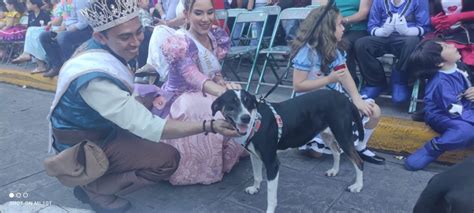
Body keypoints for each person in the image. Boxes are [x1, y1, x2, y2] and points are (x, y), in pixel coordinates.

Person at [47, 0, 240, 212]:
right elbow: (150, 124)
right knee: (167, 159)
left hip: (106, 124)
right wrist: (209, 126)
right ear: (100, 37)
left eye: (139, 32)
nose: (136, 42)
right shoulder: (96, 77)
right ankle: (94, 186)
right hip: (89, 140)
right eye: (125, 37)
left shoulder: (105, 49)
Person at [135, 0, 246, 185]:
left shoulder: (214, 37)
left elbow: (215, 72)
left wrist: (224, 84)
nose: (206, 19)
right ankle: (194, 168)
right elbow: (192, 76)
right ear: (186, 14)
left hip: (208, 90)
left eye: (210, 12)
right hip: (179, 97)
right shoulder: (179, 42)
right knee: (198, 106)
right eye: (199, 13)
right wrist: (222, 92)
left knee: (232, 98)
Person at [291, 6, 385, 164]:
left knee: (374, 111)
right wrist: (329, 80)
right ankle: (308, 140)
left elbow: (345, 74)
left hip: (334, 101)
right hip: (312, 107)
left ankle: (360, 146)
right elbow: (298, 86)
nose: (344, 28)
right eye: (340, 24)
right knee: (316, 154)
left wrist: (356, 99)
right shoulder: (307, 53)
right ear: (326, 29)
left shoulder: (334, 49)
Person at [404, 38, 474, 171]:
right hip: (444, 115)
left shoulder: (459, 67)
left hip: (465, 108)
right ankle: (433, 148)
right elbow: (453, 110)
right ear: (439, 62)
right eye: (446, 47)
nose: (453, 45)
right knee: (466, 132)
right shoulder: (440, 83)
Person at [354, 0, 430, 103]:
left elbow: (424, 27)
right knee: (361, 44)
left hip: (406, 37)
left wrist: (407, 31)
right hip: (383, 36)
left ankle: (399, 80)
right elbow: (371, 26)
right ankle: (375, 82)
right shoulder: (379, 1)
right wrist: (383, 31)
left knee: (413, 42)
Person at [320, 0, 372, 86]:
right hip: (334, 27)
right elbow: (324, 9)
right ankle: (327, 79)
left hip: (357, 28)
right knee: (321, 41)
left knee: (344, 45)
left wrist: (344, 20)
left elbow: (363, 14)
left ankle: (348, 84)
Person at [39, 0, 92, 77]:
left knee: (62, 37)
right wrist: (60, 30)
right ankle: (57, 66)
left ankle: (72, 68)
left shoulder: (80, 1)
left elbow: (83, 23)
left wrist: (65, 31)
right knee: (44, 36)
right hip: (68, 30)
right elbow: (65, 20)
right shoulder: (65, 2)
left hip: (83, 31)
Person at [429, 0, 474, 70]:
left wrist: (460, 16)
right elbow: (425, 14)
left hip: (470, 30)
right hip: (444, 34)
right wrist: (432, 20)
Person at [11, 0, 51, 74]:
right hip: (33, 38)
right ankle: (39, 65)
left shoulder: (45, 14)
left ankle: (27, 54)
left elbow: (49, 27)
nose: (26, 5)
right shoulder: (31, 15)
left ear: (35, 5)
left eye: (28, 3)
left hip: (43, 36)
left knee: (32, 32)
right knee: (31, 34)